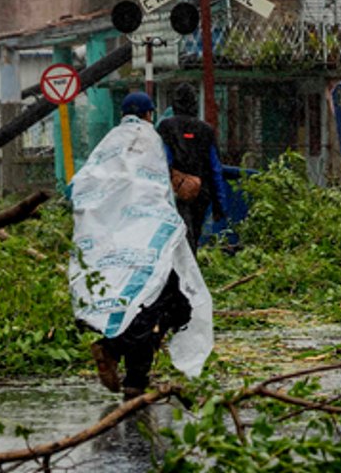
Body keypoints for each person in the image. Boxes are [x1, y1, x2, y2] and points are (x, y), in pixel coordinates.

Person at [70, 91, 214, 397]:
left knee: (138, 300)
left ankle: (120, 358)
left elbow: (82, 185)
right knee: (160, 303)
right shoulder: (155, 141)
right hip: (152, 238)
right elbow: (167, 181)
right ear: (150, 114)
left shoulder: (108, 143)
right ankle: (132, 375)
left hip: (116, 241)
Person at [156, 86, 230, 252]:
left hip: (171, 194)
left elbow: (161, 160)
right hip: (200, 194)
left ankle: (175, 275)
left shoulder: (165, 127)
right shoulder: (206, 130)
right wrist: (220, 204)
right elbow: (215, 169)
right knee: (193, 236)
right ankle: (189, 273)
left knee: (173, 239)